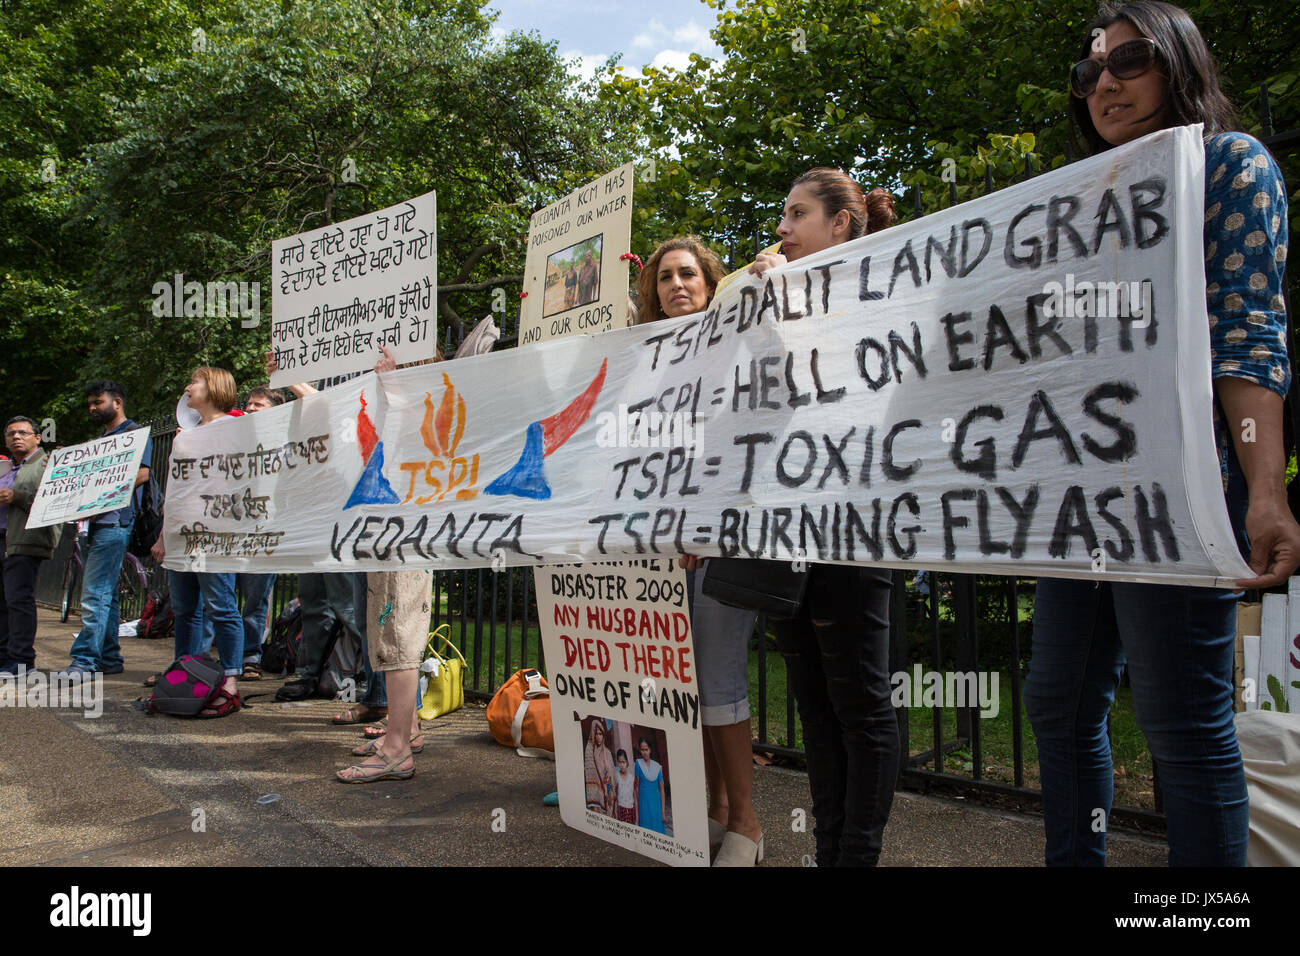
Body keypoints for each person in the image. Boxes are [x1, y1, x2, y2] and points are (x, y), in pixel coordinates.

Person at [1025, 0, 1298, 867]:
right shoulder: (1079, 200)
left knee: (1182, 723)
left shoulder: (1229, 163)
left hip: (1176, 486)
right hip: (1079, 500)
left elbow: (1247, 331)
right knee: (1057, 705)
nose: (1106, 80)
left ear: (1179, 62)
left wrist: (1263, 490)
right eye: (1090, 71)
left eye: (1131, 59)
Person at [748, 168, 901, 866]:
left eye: (797, 213)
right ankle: (831, 847)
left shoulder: (880, 292)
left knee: (861, 704)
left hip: (854, 526)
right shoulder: (770, 297)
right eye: (782, 214)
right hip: (787, 530)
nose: (782, 227)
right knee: (812, 702)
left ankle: (857, 855)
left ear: (841, 223)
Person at [641, 235, 766, 864]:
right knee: (683, 684)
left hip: (721, 540)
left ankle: (748, 824)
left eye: (688, 274)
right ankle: (714, 809)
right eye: (665, 278)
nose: (676, 285)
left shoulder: (732, 345)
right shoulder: (648, 360)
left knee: (717, 682)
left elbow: (747, 434)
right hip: (664, 546)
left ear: (712, 283)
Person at [151, 367, 245, 716]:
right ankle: (184, 671)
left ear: (214, 389)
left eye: (195, 383)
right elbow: (176, 490)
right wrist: (163, 534)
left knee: (221, 606)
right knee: (185, 609)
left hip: (213, 535)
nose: (187, 387)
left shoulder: (237, 429)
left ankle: (231, 679)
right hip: (180, 536)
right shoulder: (182, 435)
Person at [57, 381, 152, 680]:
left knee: (95, 595)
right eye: (90, 403)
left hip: (114, 523)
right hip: (95, 525)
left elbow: (143, 474)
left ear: (118, 402)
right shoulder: (102, 439)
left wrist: (103, 497)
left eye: (98, 402)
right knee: (106, 595)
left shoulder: (135, 434)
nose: (92, 408)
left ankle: (84, 662)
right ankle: (109, 658)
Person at [0, 417, 60, 675]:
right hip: (3, 539)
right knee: (3, 602)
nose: (16, 437)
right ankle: (5, 658)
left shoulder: (47, 464)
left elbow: (55, 501)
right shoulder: (6, 468)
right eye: (11, 433)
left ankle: (22, 661)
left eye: (23, 433)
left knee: (18, 600)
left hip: (24, 541)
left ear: (37, 437)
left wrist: (18, 497)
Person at [232, 385, 283, 681]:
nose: (250, 408)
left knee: (255, 597)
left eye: (258, 405)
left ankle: (251, 655)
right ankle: (226, 655)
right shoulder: (237, 437)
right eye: (249, 403)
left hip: (265, 529)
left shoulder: (285, 440)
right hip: (233, 527)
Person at [635, 736, 667, 834]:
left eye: (646, 749)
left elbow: (662, 790)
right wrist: (636, 816)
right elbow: (636, 788)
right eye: (642, 750)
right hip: (643, 804)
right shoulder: (638, 764)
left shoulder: (657, 767)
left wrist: (663, 812)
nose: (644, 752)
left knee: (658, 832)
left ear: (650, 750)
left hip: (656, 804)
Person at [583, 718, 616, 814]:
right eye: (596, 734)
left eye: (600, 734)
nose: (598, 737)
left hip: (608, 792)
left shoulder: (607, 753)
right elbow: (591, 773)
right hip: (596, 793)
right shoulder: (590, 753)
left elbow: (610, 774)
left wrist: (609, 791)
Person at [613, 749, 637, 824]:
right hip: (621, 810)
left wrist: (637, 819)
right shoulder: (616, 776)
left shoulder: (632, 778)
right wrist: (616, 815)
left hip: (631, 810)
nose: (621, 765)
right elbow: (615, 797)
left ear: (627, 762)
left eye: (623, 762)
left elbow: (635, 799)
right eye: (619, 762)